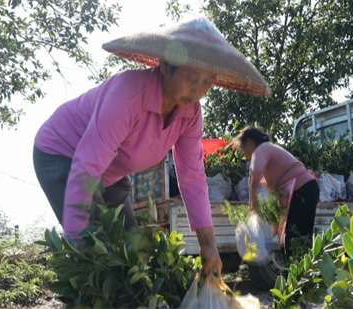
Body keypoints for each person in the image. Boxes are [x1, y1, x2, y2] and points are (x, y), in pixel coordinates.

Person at [33, 17, 271, 277]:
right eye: (192, 77)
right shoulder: (126, 96)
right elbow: (85, 167)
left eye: (207, 81)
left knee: (134, 252)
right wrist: (83, 251)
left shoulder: (190, 114)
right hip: (62, 155)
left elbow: (192, 175)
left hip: (109, 173)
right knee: (97, 252)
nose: (197, 91)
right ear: (166, 65)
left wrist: (208, 245)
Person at [233, 127, 320, 260]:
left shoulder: (262, 149)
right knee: (289, 240)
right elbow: (280, 195)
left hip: (303, 189)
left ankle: (301, 276)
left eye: (242, 147)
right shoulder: (268, 156)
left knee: (296, 240)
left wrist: (253, 203)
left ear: (249, 141)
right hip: (302, 191)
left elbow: (254, 175)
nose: (243, 153)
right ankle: (296, 275)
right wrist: (275, 221)